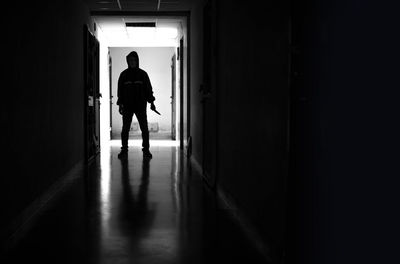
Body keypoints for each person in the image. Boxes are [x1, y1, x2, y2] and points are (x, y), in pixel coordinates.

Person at [117, 51, 157, 159]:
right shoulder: (124, 75)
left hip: (140, 106)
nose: (132, 62)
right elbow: (120, 91)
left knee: (144, 128)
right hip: (127, 106)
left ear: (137, 61)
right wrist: (120, 105)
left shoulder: (143, 74)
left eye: (134, 60)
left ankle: (146, 150)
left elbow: (148, 89)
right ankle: (124, 150)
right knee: (125, 129)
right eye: (130, 60)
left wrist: (152, 102)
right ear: (128, 61)